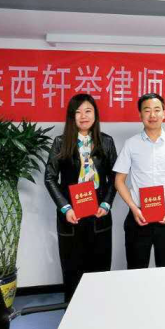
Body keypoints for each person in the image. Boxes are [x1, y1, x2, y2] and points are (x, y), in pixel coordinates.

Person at [44, 93, 117, 302]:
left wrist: (107, 203)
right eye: (78, 112)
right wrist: (65, 208)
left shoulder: (106, 142)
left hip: (99, 214)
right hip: (71, 215)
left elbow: (115, 177)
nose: (83, 116)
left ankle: (98, 311)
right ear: (71, 116)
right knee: (72, 269)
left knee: (99, 268)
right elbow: (49, 178)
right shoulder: (61, 142)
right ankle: (73, 312)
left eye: (88, 111)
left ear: (95, 114)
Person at [113, 93, 165, 269]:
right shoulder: (131, 144)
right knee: (136, 270)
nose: (152, 115)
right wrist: (133, 208)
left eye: (157, 110)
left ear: (164, 113)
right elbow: (119, 180)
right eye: (147, 110)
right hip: (138, 216)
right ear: (140, 114)